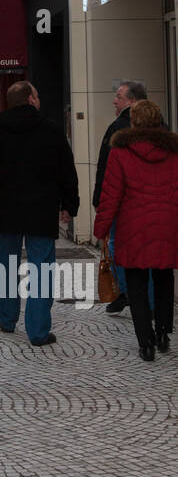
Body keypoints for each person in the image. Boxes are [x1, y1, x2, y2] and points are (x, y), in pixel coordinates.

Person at [0, 81, 79, 346]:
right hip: (41, 210)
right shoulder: (50, 130)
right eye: (38, 94)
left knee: (7, 265)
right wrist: (69, 205)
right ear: (31, 99)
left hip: (6, 211)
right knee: (42, 269)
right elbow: (67, 171)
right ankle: (38, 331)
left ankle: (7, 318)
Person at [93, 99, 178, 361]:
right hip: (167, 224)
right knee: (164, 278)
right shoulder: (174, 150)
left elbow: (111, 195)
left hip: (133, 227)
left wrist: (101, 229)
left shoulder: (121, 151)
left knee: (137, 284)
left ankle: (146, 342)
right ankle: (163, 331)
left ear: (134, 121)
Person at [92, 79, 146, 316]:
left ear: (133, 101)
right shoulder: (160, 128)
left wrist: (99, 199)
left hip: (125, 204)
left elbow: (106, 169)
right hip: (149, 205)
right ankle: (148, 301)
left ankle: (127, 292)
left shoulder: (118, 128)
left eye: (120, 97)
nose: (114, 100)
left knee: (117, 245)